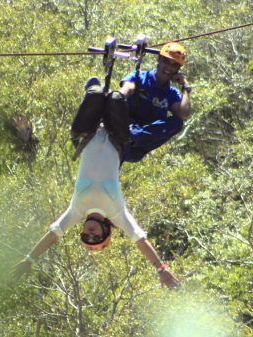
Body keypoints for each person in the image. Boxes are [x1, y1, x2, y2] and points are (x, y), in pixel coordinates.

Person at [11, 84, 180, 288]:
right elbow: (140, 240)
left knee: (95, 93)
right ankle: (125, 88)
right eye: (95, 237)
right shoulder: (117, 213)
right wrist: (161, 270)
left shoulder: (76, 211)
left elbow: (53, 235)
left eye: (86, 237)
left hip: (86, 135)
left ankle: (95, 84)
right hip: (117, 137)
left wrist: (30, 259)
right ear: (106, 232)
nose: (90, 233)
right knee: (117, 98)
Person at [118, 42, 192, 163]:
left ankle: (135, 139)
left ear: (178, 70)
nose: (169, 68)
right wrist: (120, 95)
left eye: (174, 65)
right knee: (117, 101)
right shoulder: (139, 77)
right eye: (166, 62)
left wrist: (185, 86)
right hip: (123, 131)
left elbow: (184, 114)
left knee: (177, 123)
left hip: (136, 147)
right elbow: (126, 89)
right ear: (159, 59)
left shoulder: (171, 93)